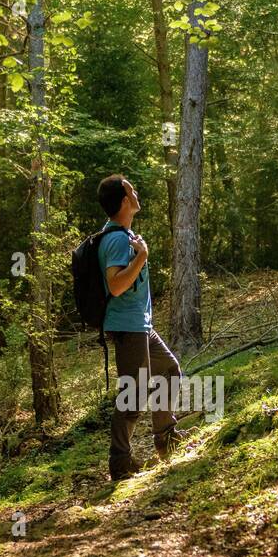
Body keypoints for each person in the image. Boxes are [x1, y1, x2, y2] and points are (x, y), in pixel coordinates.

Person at [95, 174, 186, 481]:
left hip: (140, 325)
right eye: (131, 190)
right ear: (124, 201)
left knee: (169, 370)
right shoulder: (118, 239)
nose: (136, 193)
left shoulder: (123, 233)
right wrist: (142, 256)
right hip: (127, 327)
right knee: (134, 394)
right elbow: (116, 285)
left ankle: (166, 437)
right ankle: (120, 463)